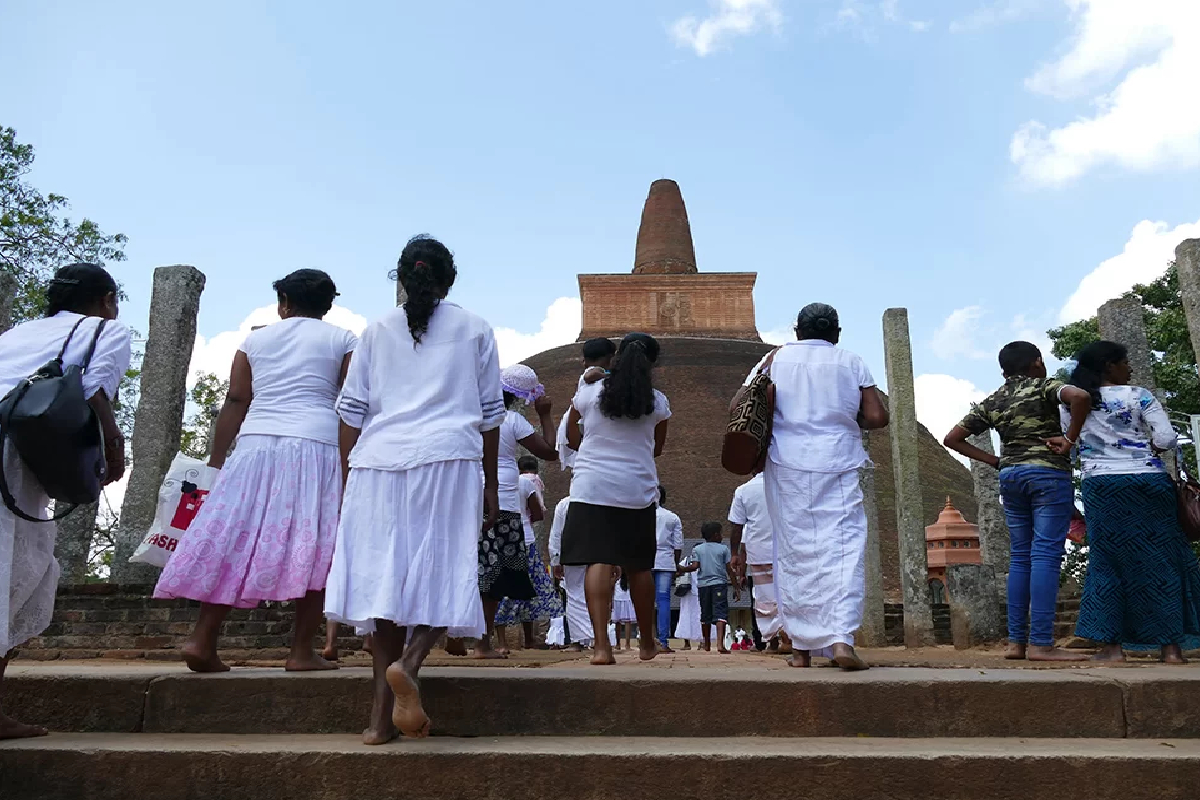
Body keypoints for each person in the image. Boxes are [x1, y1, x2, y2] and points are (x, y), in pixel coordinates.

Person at [323, 235, 503, 744]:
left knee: (384, 585)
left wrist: (345, 479)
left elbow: (351, 412)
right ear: (449, 281)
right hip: (449, 459)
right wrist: (489, 483)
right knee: (446, 572)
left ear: (401, 279)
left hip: (377, 463)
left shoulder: (376, 330)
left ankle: (379, 723)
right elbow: (491, 414)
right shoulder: (475, 328)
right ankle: (410, 661)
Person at [155, 269, 356, 673]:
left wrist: (216, 460)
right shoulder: (344, 339)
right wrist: (351, 463)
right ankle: (300, 650)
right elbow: (351, 404)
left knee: (233, 537)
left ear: (284, 301)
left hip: (255, 446)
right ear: (328, 305)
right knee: (316, 541)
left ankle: (202, 639)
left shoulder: (254, 339)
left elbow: (236, 398)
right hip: (317, 446)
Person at [0, 263, 129, 740]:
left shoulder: (20, 330)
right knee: (15, 570)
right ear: (106, 299)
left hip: (9, 432)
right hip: (14, 451)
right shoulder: (105, 329)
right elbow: (93, 387)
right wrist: (113, 446)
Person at [740, 304, 888, 670]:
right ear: (836, 332)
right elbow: (876, 416)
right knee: (843, 549)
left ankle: (801, 648)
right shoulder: (851, 361)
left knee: (792, 550)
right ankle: (840, 639)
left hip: (786, 464)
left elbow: (739, 403)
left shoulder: (773, 360)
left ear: (797, 331)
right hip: (837, 461)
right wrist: (840, 415)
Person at [944, 340, 1092, 662]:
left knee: (1020, 557)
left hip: (1010, 477)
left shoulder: (993, 400)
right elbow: (1080, 396)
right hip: (1046, 475)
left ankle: (1016, 644)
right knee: (1046, 555)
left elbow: (952, 439)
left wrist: (995, 460)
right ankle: (1041, 643)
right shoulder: (1044, 387)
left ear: (1004, 371)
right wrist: (1070, 439)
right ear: (1037, 362)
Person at [1063, 341, 1200, 663]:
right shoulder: (1139, 395)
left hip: (1102, 485)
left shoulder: (1073, 400)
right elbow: (1166, 438)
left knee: (1109, 562)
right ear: (1109, 366)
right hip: (1148, 482)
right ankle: (1171, 649)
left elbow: (1067, 440)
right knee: (1163, 560)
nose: (1131, 368)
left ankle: (1112, 648)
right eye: (1125, 362)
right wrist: (1148, 449)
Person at [562, 332, 671, 665]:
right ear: (651, 363)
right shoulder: (657, 401)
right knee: (638, 566)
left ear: (617, 359)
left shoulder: (590, 393)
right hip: (635, 490)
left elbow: (571, 436)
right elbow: (657, 448)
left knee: (599, 559)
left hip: (592, 486)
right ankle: (648, 644)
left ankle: (600, 648)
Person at [475, 365, 557, 658]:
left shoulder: (473, 413)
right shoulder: (512, 420)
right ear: (520, 398)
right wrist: (545, 414)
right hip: (504, 503)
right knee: (494, 578)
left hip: (468, 497)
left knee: (469, 570)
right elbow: (550, 450)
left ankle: (455, 637)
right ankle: (482, 644)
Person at [494, 454, 563, 651]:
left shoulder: (491, 482)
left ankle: (501, 642)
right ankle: (529, 638)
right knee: (528, 589)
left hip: (500, 541)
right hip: (525, 540)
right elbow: (539, 513)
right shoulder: (525, 483)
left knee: (501, 590)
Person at [728, 473, 790, 654]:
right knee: (787, 595)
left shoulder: (743, 490)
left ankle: (772, 641)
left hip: (760, 551)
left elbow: (736, 527)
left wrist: (734, 554)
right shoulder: (785, 484)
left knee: (765, 599)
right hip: (787, 549)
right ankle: (789, 637)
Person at [556, 338, 617, 470]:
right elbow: (590, 375)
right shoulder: (596, 371)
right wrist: (611, 374)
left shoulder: (589, 371)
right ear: (610, 357)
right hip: (580, 419)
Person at [686, 522, 739, 653]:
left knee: (705, 614)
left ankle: (707, 644)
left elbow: (694, 566)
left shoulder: (697, 549)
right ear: (716, 535)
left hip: (703, 586)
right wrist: (736, 586)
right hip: (719, 585)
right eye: (720, 533)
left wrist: (680, 569)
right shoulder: (723, 549)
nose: (722, 536)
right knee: (720, 612)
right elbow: (729, 570)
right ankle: (720, 645)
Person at [549, 494, 593, 651]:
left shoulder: (564, 504)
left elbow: (556, 533)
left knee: (575, 596)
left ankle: (578, 641)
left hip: (573, 553)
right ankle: (593, 639)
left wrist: (555, 558)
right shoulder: (598, 500)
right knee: (594, 596)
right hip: (594, 554)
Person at [652, 486, 684, 652]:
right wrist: (675, 565)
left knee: (645, 601)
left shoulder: (640, 515)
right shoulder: (672, 518)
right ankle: (663, 641)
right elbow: (678, 545)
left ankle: (647, 640)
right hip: (665, 561)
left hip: (645, 560)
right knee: (663, 600)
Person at [611, 571, 637, 650]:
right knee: (627, 621)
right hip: (627, 597)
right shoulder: (629, 574)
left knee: (617, 622)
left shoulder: (616, 573)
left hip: (617, 597)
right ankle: (627, 645)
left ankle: (618, 644)